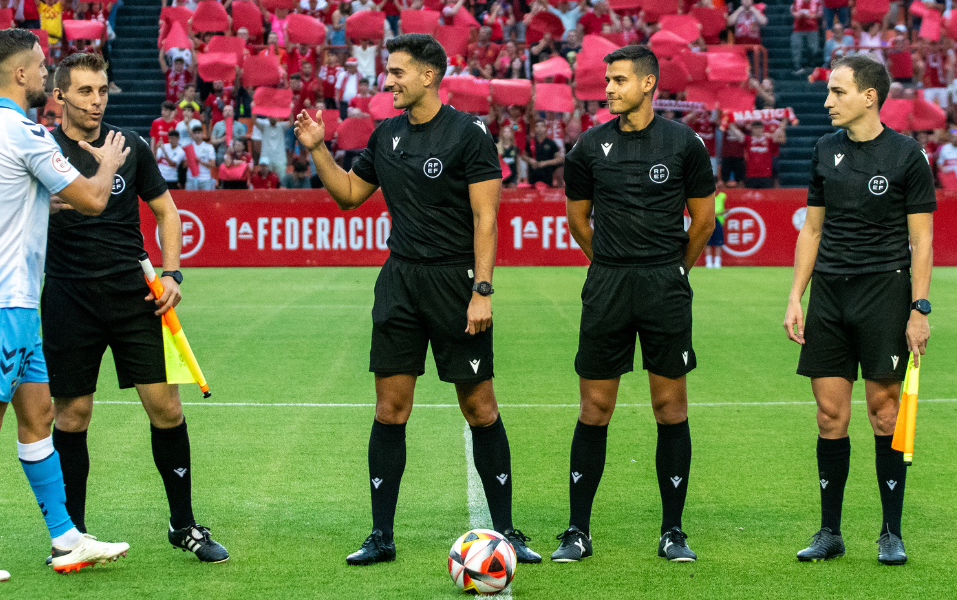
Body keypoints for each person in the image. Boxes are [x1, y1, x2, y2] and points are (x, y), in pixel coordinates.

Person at [293, 33, 540, 567]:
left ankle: (507, 532)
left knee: (479, 407)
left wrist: (481, 290)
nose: (389, 80)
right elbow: (350, 196)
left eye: (398, 71)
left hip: (456, 285)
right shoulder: (385, 136)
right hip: (399, 283)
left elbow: (486, 218)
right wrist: (317, 148)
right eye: (389, 70)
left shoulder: (469, 134)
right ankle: (381, 536)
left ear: (429, 75)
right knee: (390, 408)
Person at [0, 28, 132, 582]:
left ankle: (66, 541)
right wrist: (106, 161)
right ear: (20, 74)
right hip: (5, 304)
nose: (46, 77)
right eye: (40, 67)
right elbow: (91, 199)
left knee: (38, 416)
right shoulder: (25, 133)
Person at [42, 52, 228, 564]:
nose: (96, 100)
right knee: (73, 415)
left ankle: (183, 525)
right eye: (84, 91)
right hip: (67, 297)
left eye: (101, 90)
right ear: (59, 97)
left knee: (166, 409)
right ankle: (71, 535)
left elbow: (167, 212)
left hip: (134, 296)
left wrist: (171, 273)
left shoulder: (131, 147)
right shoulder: (41, 149)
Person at [552, 44, 716, 564]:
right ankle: (577, 530)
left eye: (618, 80)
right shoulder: (587, 147)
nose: (608, 89)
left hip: (664, 288)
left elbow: (703, 222)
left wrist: (672, 270)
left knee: (670, 407)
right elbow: (579, 221)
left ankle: (673, 531)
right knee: (594, 408)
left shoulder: (684, 144)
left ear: (648, 84)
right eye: (607, 80)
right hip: (608, 286)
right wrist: (611, 264)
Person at [783, 55, 935, 566]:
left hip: (884, 295)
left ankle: (890, 532)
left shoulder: (907, 155)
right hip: (829, 295)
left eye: (837, 92)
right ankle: (830, 532)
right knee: (830, 415)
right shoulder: (826, 150)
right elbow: (812, 229)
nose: (828, 102)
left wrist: (919, 308)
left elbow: (922, 240)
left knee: (884, 413)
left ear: (869, 96)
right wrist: (795, 297)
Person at [524, 118, 563, 186]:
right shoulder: (531, 142)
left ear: (545, 128)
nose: (539, 128)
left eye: (542, 126)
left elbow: (558, 159)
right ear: (535, 128)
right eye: (537, 126)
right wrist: (530, 160)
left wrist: (545, 163)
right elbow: (523, 156)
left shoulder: (551, 143)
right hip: (533, 176)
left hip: (546, 176)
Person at [185, 122, 216, 190]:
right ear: (192, 135)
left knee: (206, 200)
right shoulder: (189, 147)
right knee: (189, 199)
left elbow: (212, 164)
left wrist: (200, 161)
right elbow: (185, 165)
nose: (197, 135)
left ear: (202, 134)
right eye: (195, 133)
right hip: (191, 177)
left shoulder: (209, 147)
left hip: (205, 178)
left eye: (199, 133)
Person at [703, 182, 726, 268]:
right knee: (707, 243)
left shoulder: (721, 197)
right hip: (708, 222)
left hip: (718, 222)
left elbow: (723, 190)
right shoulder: (706, 199)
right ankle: (708, 262)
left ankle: (717, 262)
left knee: (718, 243)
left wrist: (720, 185)